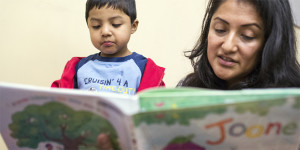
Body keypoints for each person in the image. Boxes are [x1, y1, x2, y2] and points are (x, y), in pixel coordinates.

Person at [52, 0, 165, 95]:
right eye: (96, 26)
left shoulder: (145, 69)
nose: (105, 32)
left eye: (116, 24)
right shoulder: (78, 68)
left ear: (133, 26)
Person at [179, 0, 300, 89]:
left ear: (271, 43)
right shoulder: (188, 89)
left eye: (248, 36)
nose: (228, 46)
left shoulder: (291, 103)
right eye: (220, 29)